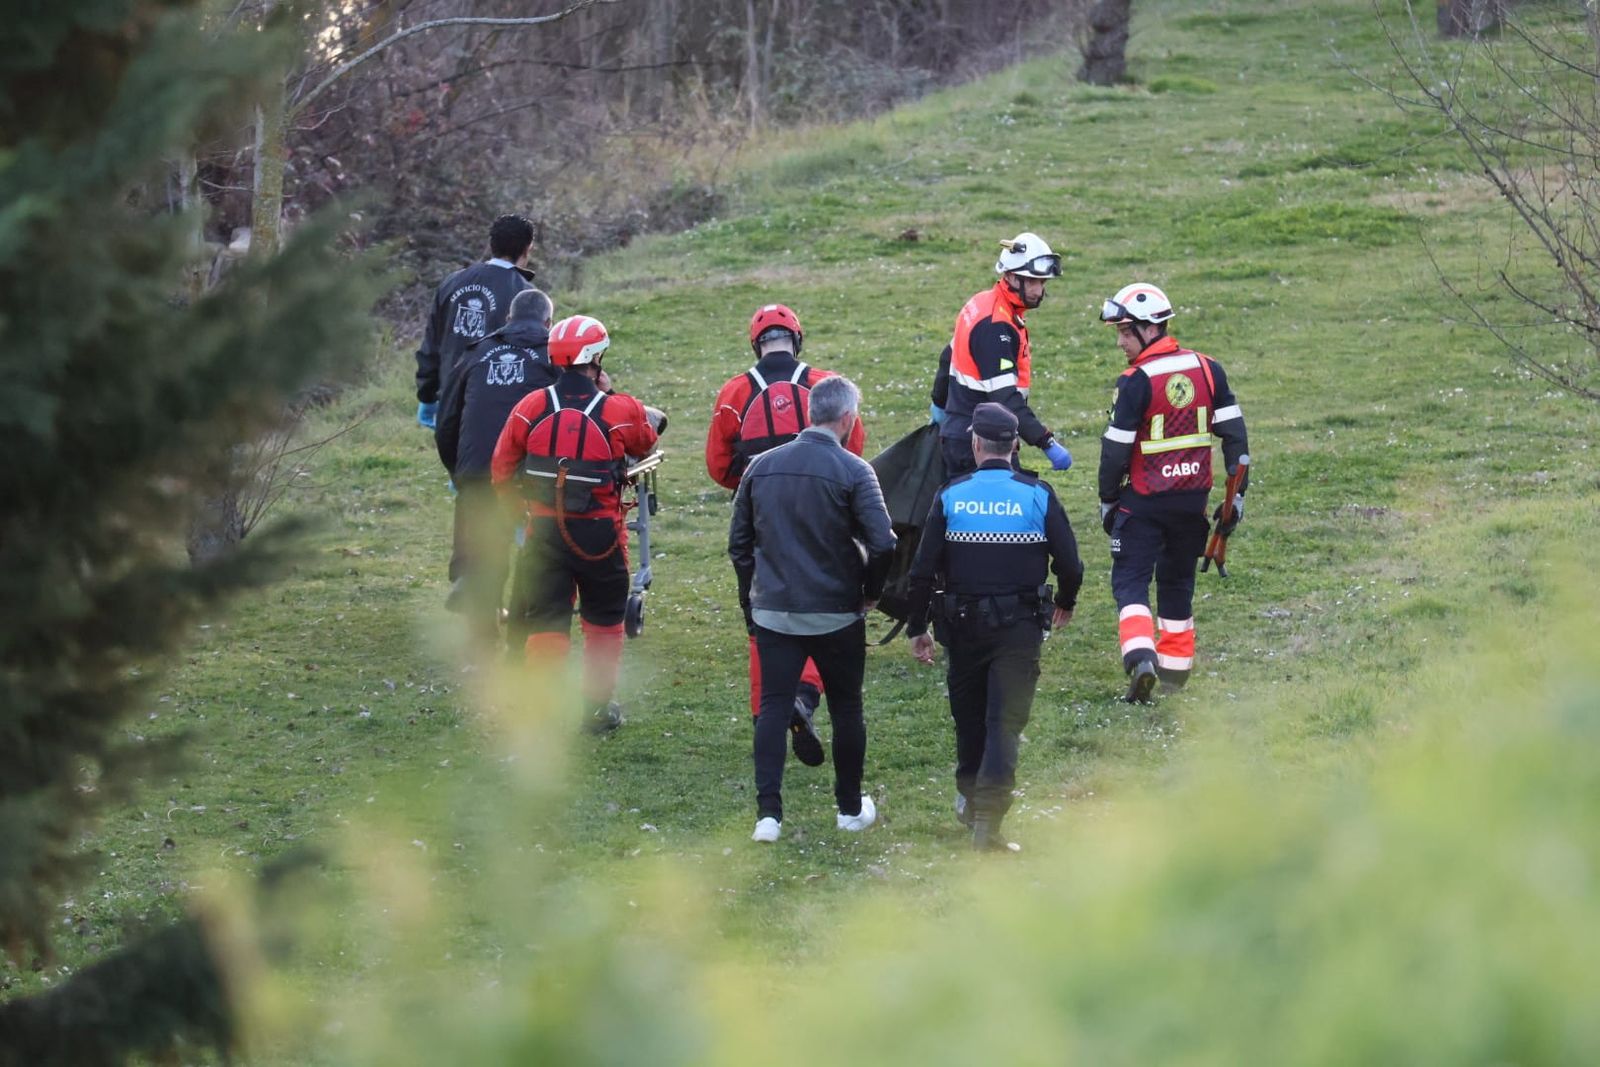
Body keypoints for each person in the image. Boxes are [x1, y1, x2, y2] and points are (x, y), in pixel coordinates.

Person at [904, 403, 1083, 851]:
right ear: (1016, 446)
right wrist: (1065, 601)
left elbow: (922, 571)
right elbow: (1072, 565)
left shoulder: (950, 495)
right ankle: (989, 821)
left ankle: (970, 799)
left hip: (961, 627)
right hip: (1019, 629)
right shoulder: (1037, 495)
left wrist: (916, 628)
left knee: (969, 719)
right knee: (1004, 723)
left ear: (975, 444)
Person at [727, 375, 895, 843]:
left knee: (772, 707)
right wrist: (870, 591)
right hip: (837, 612)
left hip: (774, 611)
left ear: (810, 414)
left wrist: (752, 598)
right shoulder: (856, 471)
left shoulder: (759, 467)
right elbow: (883, 542)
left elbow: (739, 545)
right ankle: (847, 808)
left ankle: (768, 817)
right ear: (847, 419)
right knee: (847, 709)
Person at [705, 303, 867, 767]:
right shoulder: (825, 385)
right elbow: (852, 449)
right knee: (820, 608)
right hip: (825, 515)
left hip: (761, 519)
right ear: (797, 339)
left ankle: (767, 715)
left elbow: (719, 466)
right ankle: (804, 695)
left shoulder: (735, 393)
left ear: (756, 344)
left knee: (763, 614)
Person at [490, 314, 661, 733]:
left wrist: (519, 513)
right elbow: (645, 439)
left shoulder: (530, 407)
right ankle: (596, 711)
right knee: (604, 621)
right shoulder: (617, 410)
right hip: (601, 536)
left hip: (544, 533)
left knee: (547, 619)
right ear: (596, 358)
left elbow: (500, 467)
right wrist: (612, 392)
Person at [1096, 282, 1249, 703]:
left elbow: (1114, 452)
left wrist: (1108, 499)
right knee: (1178, 585)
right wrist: (1236, 498)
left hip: (1143, 503)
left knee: (1130, 583)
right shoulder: (1208, 369)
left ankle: (1141, 659)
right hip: (1192, 504)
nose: (1121, 342)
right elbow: (1237, 441)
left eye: (1126, 332)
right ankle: (1175, 676)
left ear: (1149, 329)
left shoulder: (1134, 381)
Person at [435, 288, 559, 636]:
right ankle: (527, 630)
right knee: (537, 549)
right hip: (531, 472)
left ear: (507, 319)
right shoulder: (555, 355)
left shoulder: (475, 354)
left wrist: (460, 472)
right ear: (548, 322)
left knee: (485, 552)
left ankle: (481, 637)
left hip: (477, 469)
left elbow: (447, 422)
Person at [937, 232, 1074, 478]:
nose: (1038, 290)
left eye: (1042, 282)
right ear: (1010, 276)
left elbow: (948, 356)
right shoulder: (996, 325)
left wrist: (939, 405)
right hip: (980, 443)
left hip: (962, 434)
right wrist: (1046, 442)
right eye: (1031, 281)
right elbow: (1005, 398)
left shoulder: (981, 303)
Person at [415, 214, 536, 429]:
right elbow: (534, 357)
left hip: (450, 400)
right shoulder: (526, 295)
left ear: (491, 244)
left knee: (460, 461)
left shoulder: (451, 283)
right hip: (499, 407)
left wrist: (427, 394)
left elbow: (432, 345)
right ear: (528, 248)